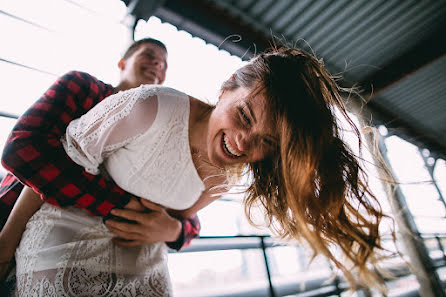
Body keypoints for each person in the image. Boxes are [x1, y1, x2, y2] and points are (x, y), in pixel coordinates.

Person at [2, 45, 388, 296]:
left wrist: (169, 230)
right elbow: (29, 156)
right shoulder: (94, 92)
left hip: (137, 259)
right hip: (36, 222)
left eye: (268, 142)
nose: (243, 142)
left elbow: (183, 220)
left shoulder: (223, 168)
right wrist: (6, 243)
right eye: (147, 57)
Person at [0, 38, 201, 283]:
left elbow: (185, 201)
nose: (158, 63)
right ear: (122, 63)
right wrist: (125, 206)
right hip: (12, 223)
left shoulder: (164, 137)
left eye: (164, 63)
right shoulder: (83, 88)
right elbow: (23, 149)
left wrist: (174, 230)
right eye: (149, 55)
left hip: (100, 268)